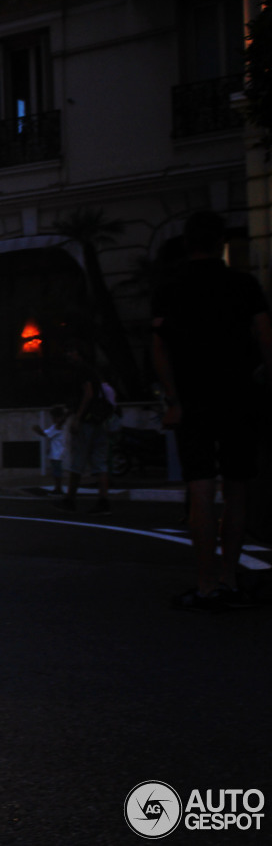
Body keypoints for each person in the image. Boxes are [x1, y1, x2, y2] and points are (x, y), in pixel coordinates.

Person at [153, 209, 272, 611]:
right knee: (236, 488)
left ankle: (205, 585)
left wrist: (173, 399)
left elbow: (159, 348)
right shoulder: (244, 284)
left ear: (188, 245)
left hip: (193, 401)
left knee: (200, 488)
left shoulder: (170, 287)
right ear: (221, 243)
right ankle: (229, 576)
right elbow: (265, 336)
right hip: (240, 396)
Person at [57, 340, 114, 515]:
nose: (68, 355)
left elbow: (87, 394)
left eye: (72, 351)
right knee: (100, 461)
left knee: (77, 461)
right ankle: (103, 501)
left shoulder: (81, 371)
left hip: (86, 421)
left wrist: (77, 418)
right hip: (99, 420)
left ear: (79, 354)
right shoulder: (93, 371)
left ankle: (70, 500)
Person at [32, 405, 67, 495]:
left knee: (57, 472)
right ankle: (57, 488)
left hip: (57, 454)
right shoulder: (57, 427)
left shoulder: (57, 427)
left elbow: (45, 434)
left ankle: (58, 488)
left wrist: (38, 430)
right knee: (56, 471)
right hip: (56, 453)